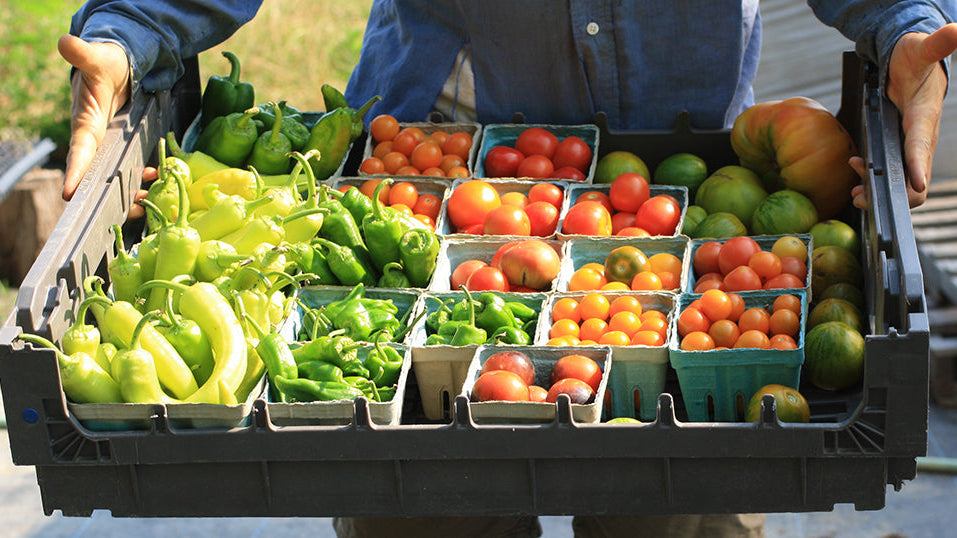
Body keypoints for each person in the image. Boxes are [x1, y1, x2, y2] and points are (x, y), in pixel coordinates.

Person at [56, 2, 957, 537]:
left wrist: (904, 20)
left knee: (683, 511)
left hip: (665, 190)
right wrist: (131, 30)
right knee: (425, 504)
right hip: (429, 166)